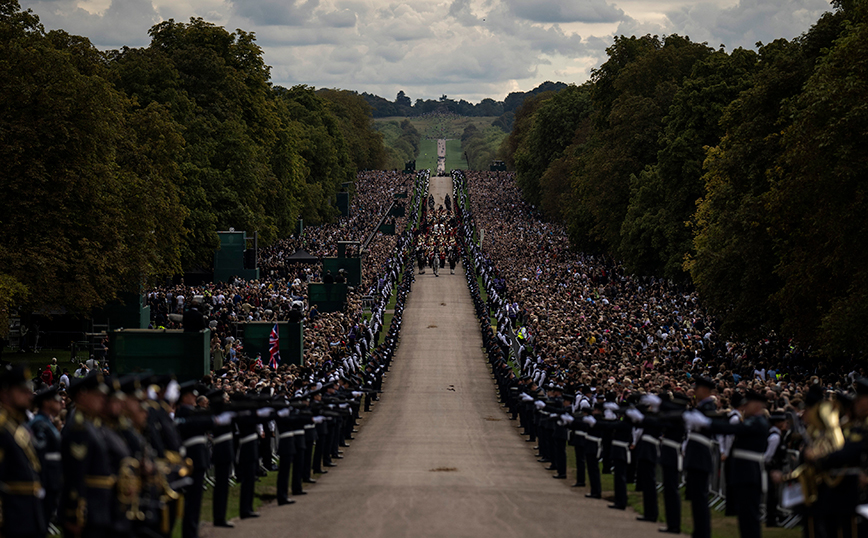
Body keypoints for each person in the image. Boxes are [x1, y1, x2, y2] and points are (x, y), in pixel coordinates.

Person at [685, 391, 770, 538]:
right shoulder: (753, 421)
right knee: (744, 516)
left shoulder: (758, 422)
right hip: (744, 472)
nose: (744, 408)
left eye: (747, 404)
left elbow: (733, 429)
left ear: (756, 405)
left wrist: (707, 423)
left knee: (749, 516)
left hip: (749, 473)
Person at [0, 364, 46, 538]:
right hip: (12, 520)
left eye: (29, 390)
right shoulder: (3, 428)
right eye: (22, 391)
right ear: (5, 393)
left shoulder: (16, 426)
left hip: (27, 516)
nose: (29, 395)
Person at [29, 386, 64, 529]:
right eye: (56, 400)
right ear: (46, 403)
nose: (61, 402)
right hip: (47, 481)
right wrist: (42, 484)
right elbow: (40, 457)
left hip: (52, 480)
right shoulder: (40, 424)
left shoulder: (46, 422)